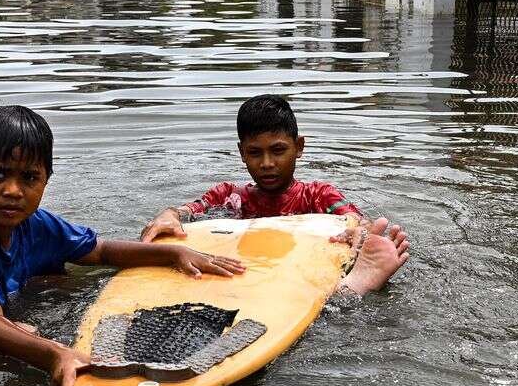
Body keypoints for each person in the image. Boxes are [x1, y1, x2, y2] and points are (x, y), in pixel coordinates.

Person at [0, 105, 245, 386]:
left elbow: (100, 251)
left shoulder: (34, 223)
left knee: (61, 281)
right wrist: (54, 353)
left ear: (46, 180)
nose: (13, 190)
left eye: (29, 178)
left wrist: (173, 255)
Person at [140, 94, 410, 296]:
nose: (267, 163)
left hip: (298, 273)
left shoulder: (318, 195)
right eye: (255, 153)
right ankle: (352, 289)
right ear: (242, 153)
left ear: (299, 147)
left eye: (278, 150)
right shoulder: (228, 197)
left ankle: (356, 284)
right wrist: (170, 214)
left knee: (332, 291)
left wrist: (357, 230)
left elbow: (353, 219)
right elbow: (188, 211)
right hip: (247, 275)